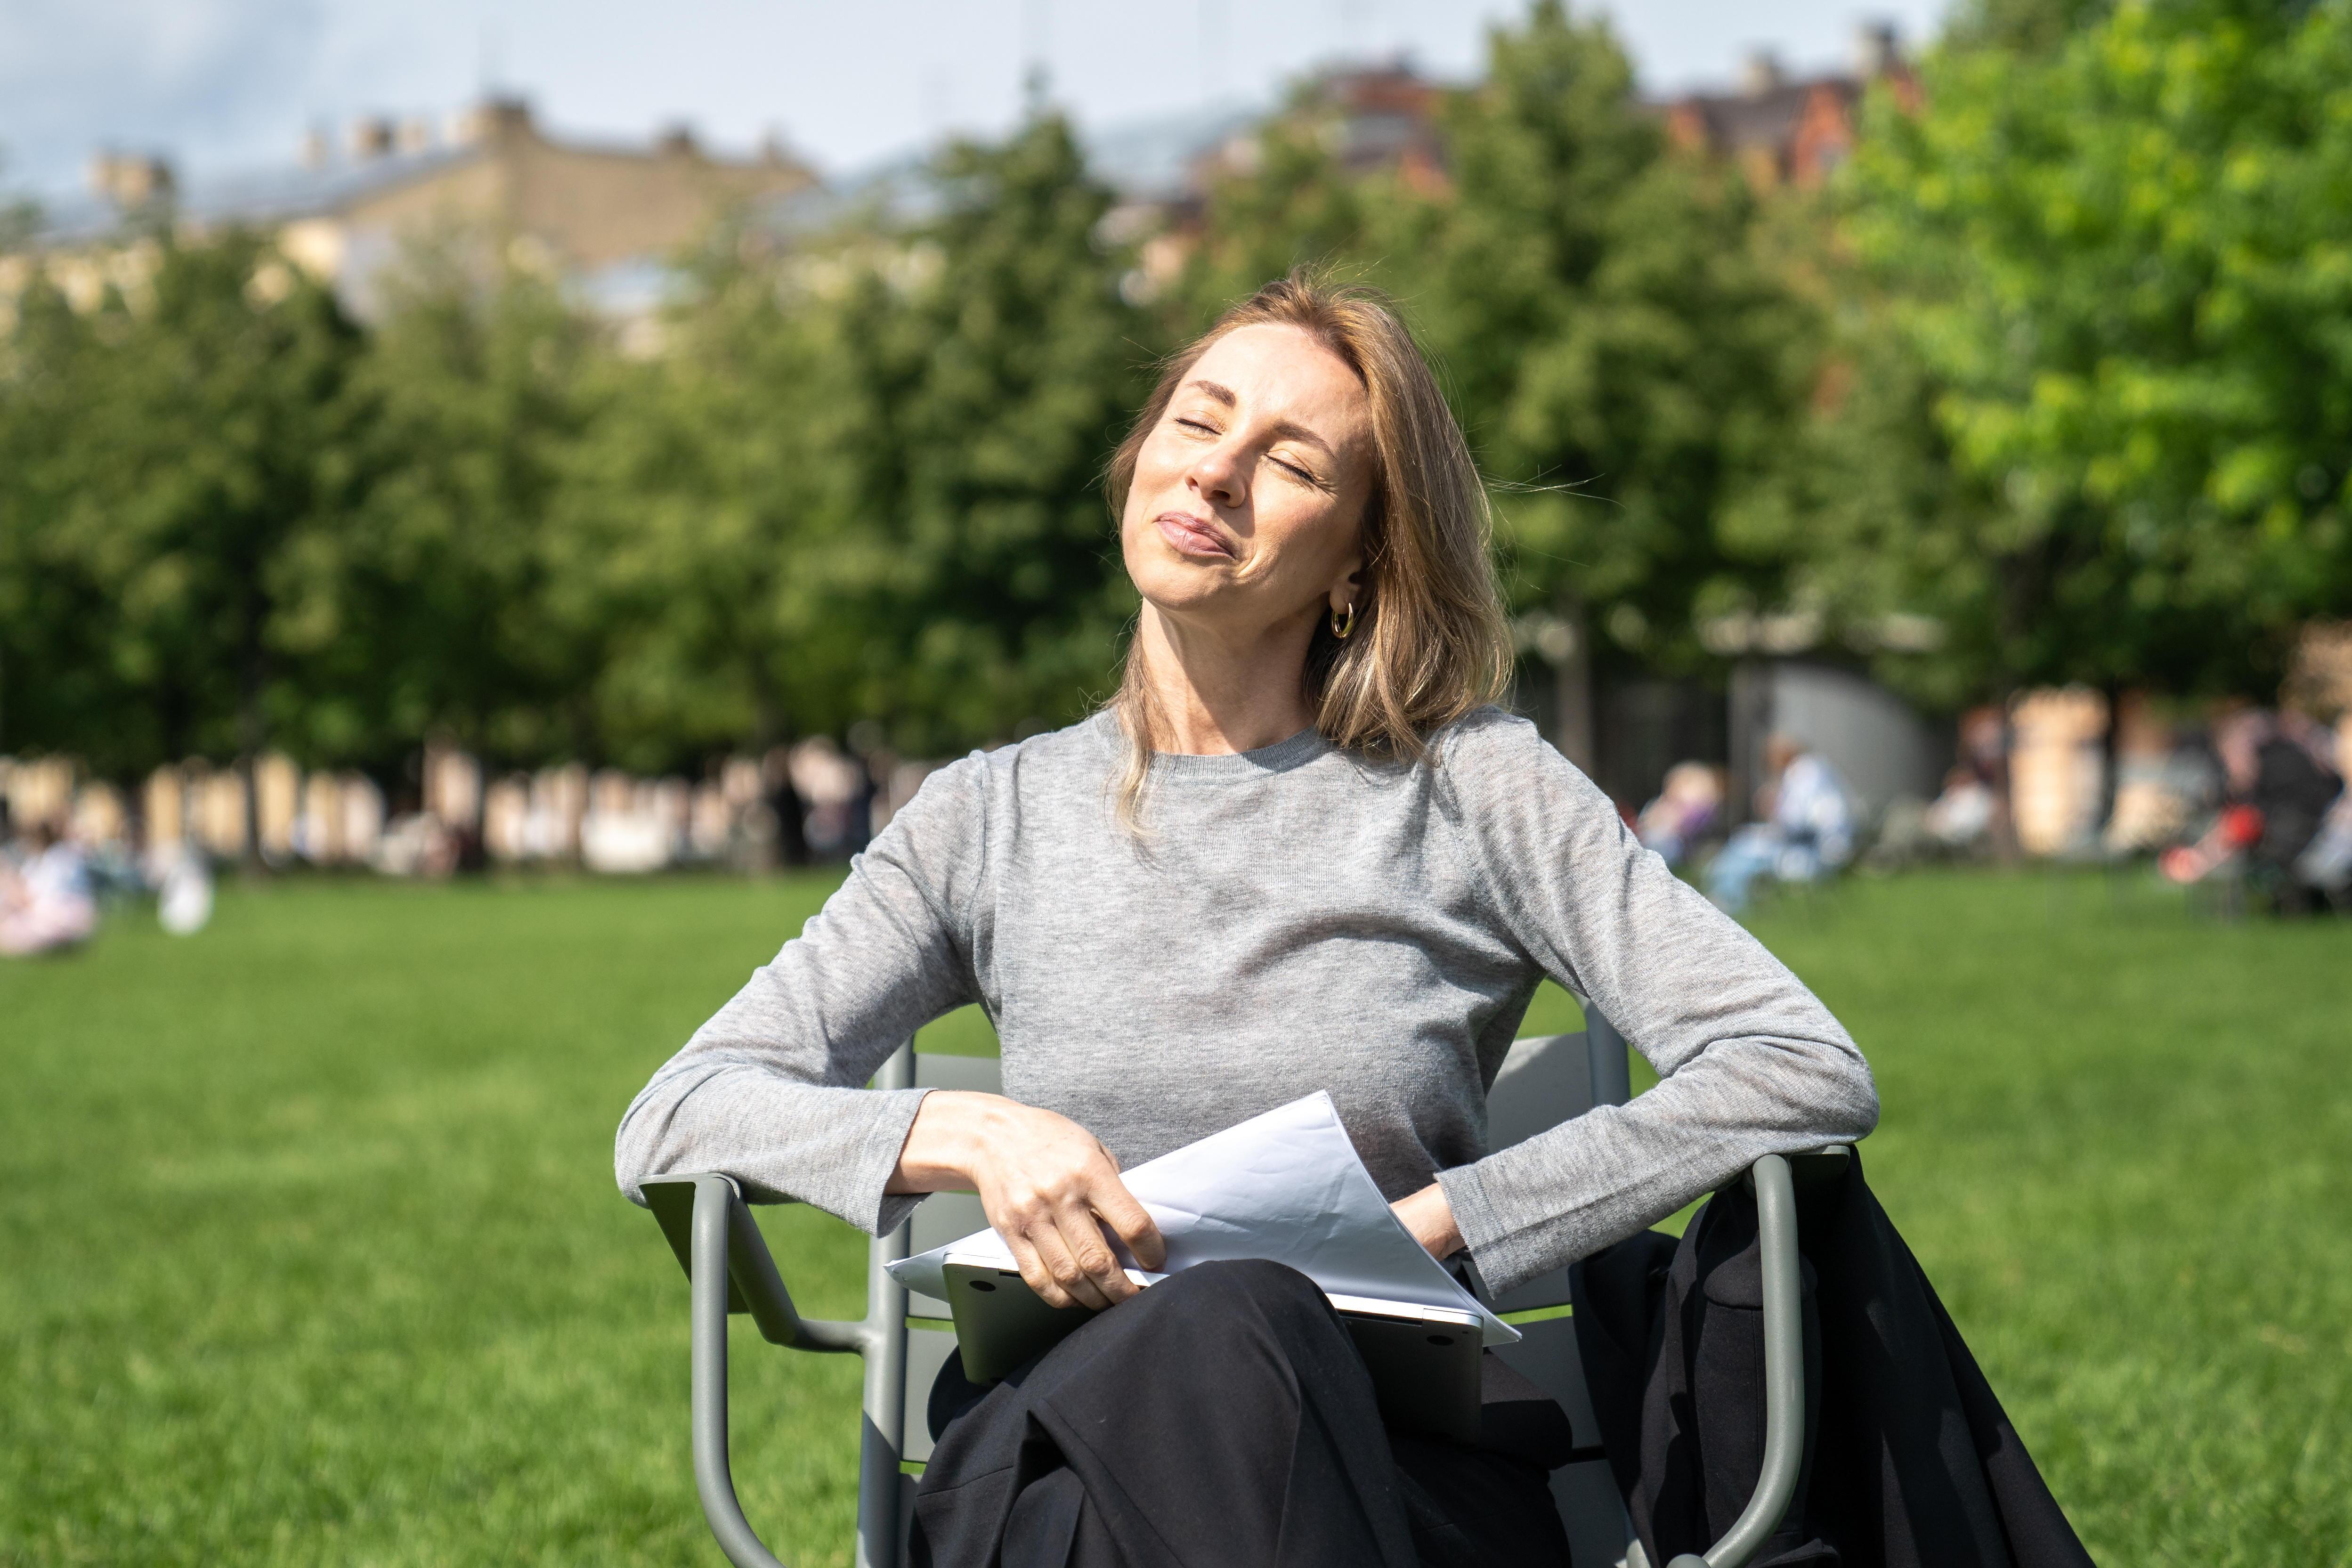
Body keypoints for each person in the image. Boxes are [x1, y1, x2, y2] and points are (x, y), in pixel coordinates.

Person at [616, 274, 1879, 1568]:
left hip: (1397, 1477)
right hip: (1056, 1467)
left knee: (1239, 1324)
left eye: (1285, 461)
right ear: (1137, 466)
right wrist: (962, 1131)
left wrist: (1444, 1223)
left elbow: (1798, 1067)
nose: (1216, 474)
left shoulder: (1472, 791)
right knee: (1205, 1343)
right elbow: (676, 1113)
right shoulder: (987, 816)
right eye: (1194, 423)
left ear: (1359, 563)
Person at [1704, 733, 1856, 915]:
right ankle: (1720, 892)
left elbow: (1799, 822)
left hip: (1814, 854)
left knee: (1746, 845)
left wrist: (1772, 809)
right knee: (1749, 838)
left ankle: (1725, 901)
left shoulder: (1804, 773)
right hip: (1821, 848)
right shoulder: (1814, 769)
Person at [0, 820, 98, 957]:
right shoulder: (41, 861)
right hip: (59, 912)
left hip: (59, 913)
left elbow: (33, 897)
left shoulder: (58, 860)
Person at [1634, 761, 1724, 868]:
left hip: (1680, 854)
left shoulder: (1701, 814)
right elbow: (1644, 826)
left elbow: (1693, 829)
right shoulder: (1662, 805)